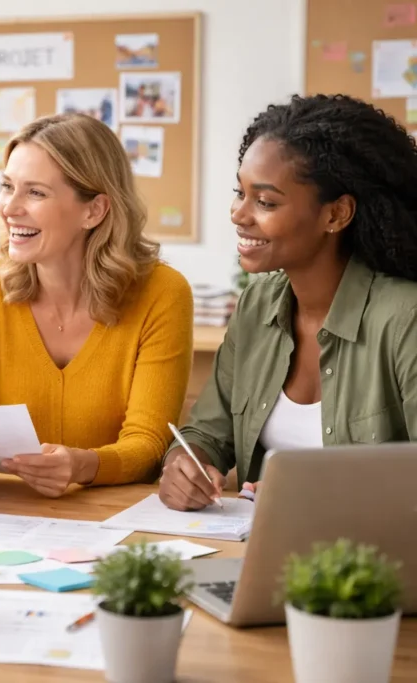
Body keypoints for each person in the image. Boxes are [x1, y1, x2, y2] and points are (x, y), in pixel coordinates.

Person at [0, 113, 194, 497]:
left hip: (115, 521)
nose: (9, 208)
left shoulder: (162, 293)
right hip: (8, 519)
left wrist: (83, 465)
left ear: (94, 211)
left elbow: (148, 445)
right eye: (7, 186)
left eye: (35, 192)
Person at [160, 94, 417, 511]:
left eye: (265, 202)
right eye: (239, 193)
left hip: (379, 566)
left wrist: (321, 497)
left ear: (336, 215)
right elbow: (206, 432)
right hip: (265, 551)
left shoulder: (405, 318)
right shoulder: (257, 306)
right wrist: (185, 464)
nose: (239, 214)